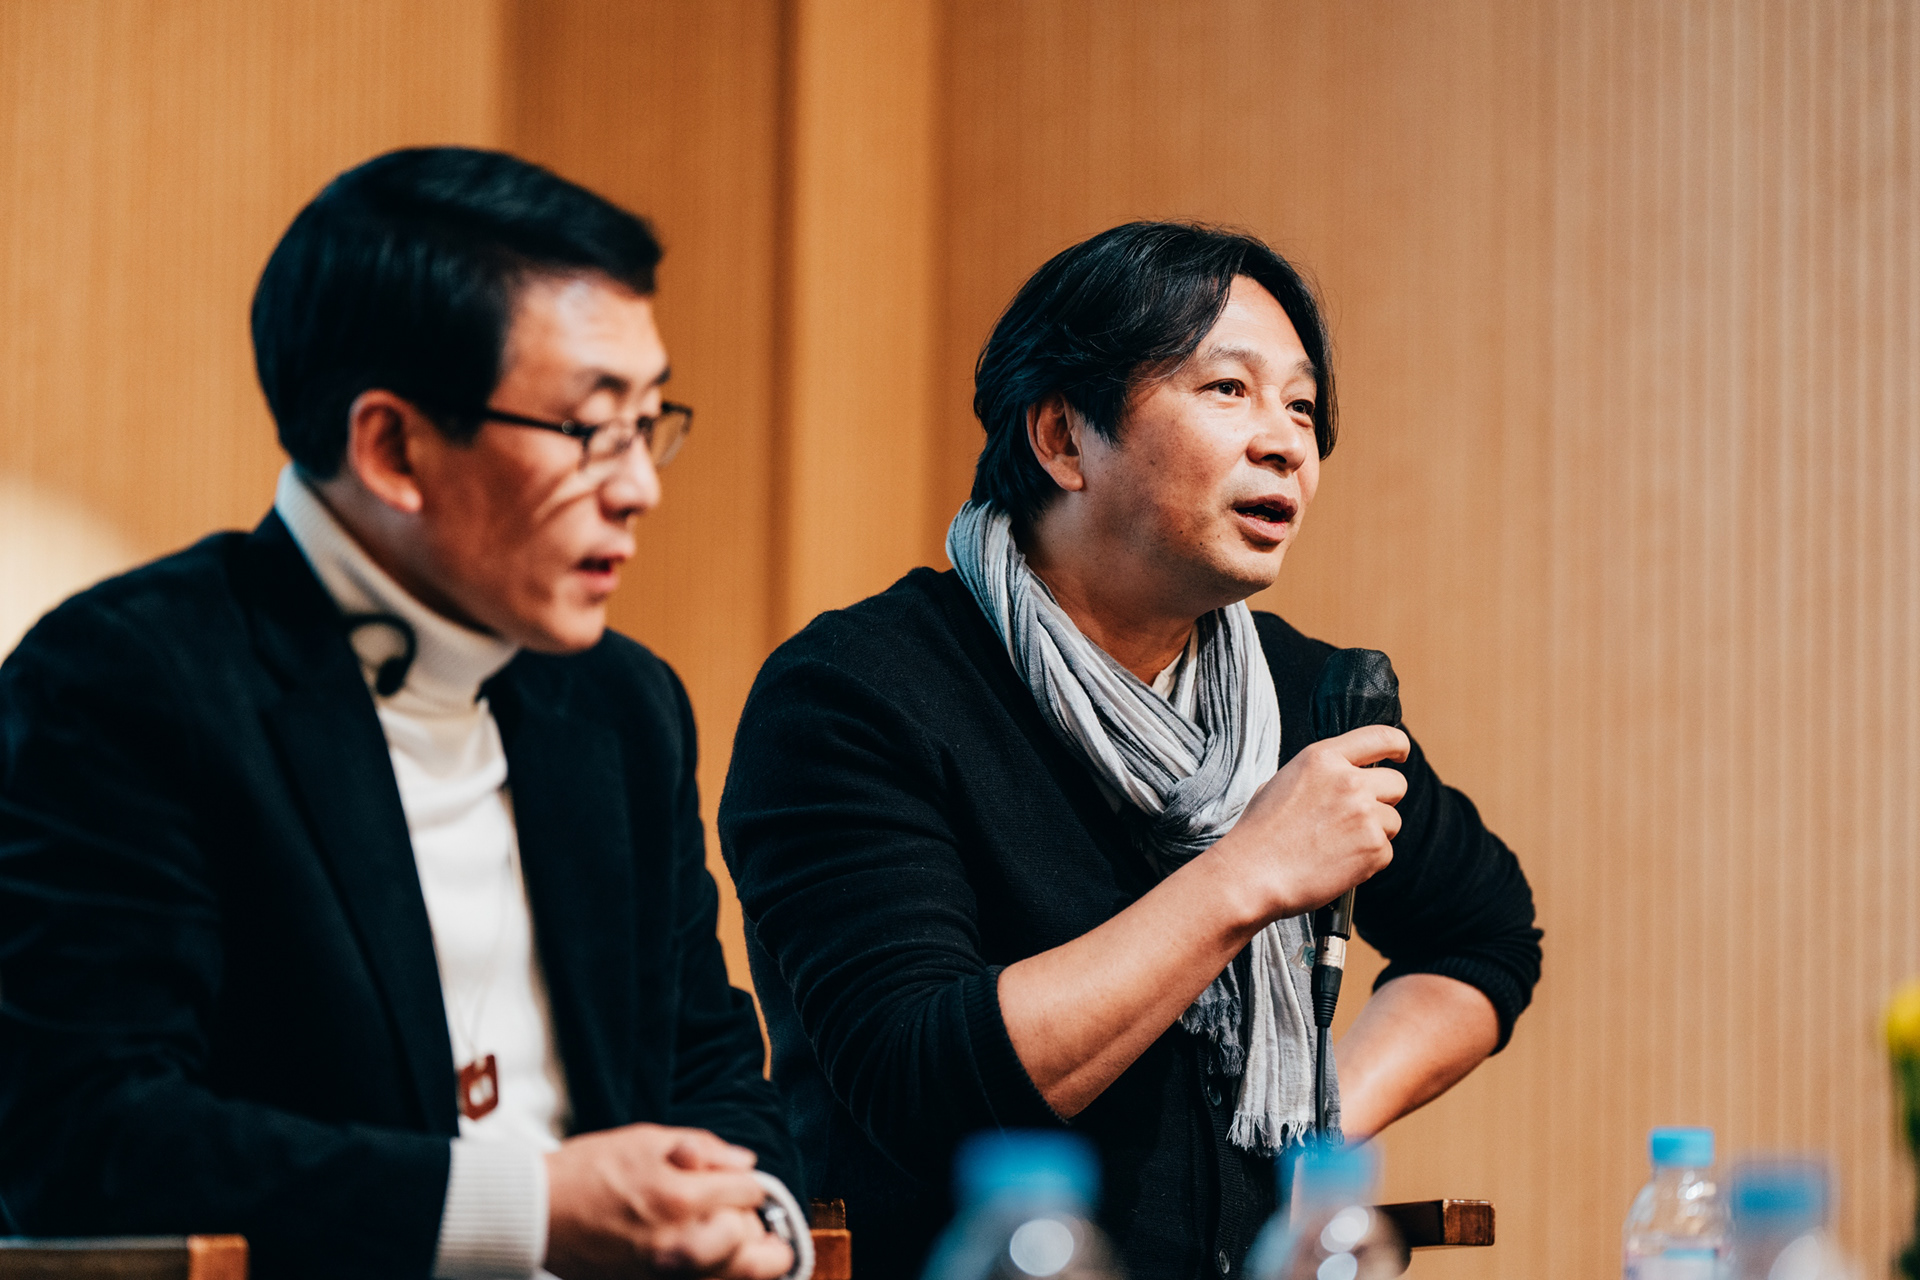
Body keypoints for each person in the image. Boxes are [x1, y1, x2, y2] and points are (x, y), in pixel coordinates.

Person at [0, 149, 808, 1280]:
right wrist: (524, 1209)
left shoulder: (623, 704)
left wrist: (753, 1217)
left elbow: (712, 1069)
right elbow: (87, 1136)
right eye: (590, 429)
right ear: (391, 446)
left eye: (645, 421)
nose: (639, 487)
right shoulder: (127, 679)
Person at [719, 222, 1543, 1280]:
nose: (1288, 443)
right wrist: (1245, 873)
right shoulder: (858, 691)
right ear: (1063, 437)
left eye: (1301, 407)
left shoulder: (1301, 694)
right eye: (1228, 389)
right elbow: (920, 1077)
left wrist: (1319, 1130)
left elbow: (1486, 935)